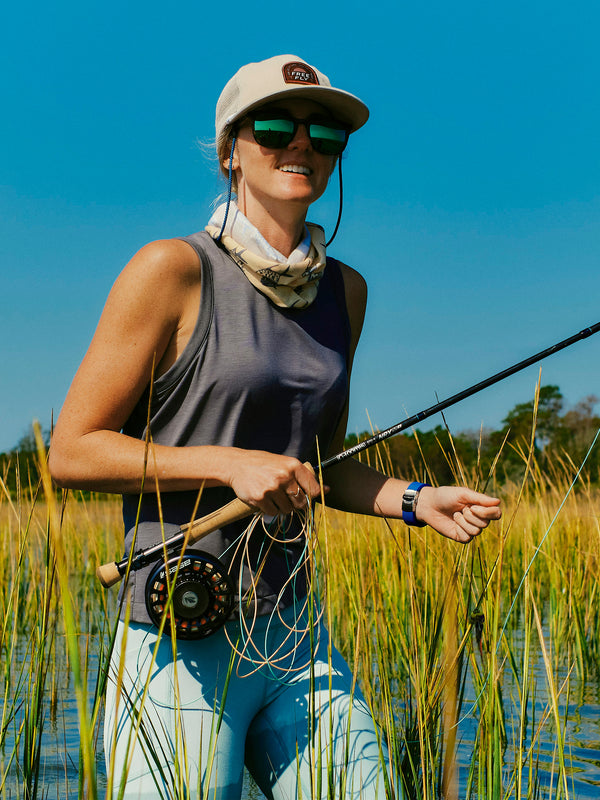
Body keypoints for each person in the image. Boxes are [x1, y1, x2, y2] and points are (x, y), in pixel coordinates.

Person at [49, 55, 502, 800]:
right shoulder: (171, 269)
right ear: (231, 148)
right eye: (274, 126)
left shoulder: (345, 293)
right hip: (179, 639)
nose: (302, 144)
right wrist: (231, 464)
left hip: (295, 632)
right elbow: (71, 451)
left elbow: (318, 463)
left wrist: (418, 500)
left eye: (324, 133)